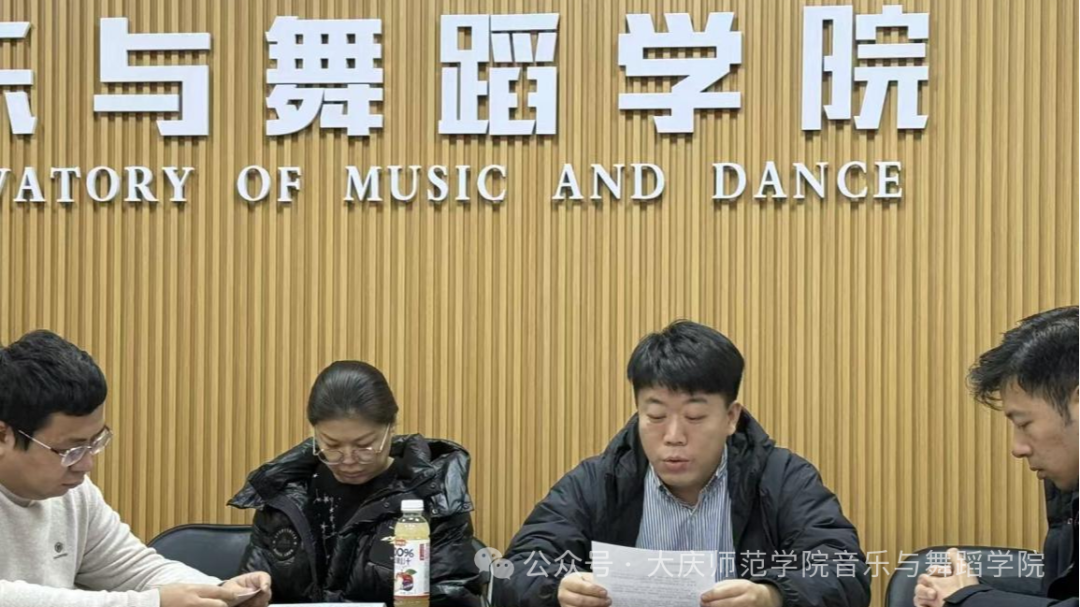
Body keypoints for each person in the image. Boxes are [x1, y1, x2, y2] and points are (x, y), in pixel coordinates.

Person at [493, 320, 871, 607]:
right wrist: (556, 588)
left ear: (730, 417)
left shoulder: (781, 477)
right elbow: (517, 569)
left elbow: (843, 570)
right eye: (656, 416)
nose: (674, 435)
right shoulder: (598, 481)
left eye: (694, 417)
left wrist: (772, 595)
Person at [0, 329, 271, 607]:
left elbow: (135, 569)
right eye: (71, 450)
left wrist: (221, 592)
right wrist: (150, 603)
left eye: (95, 442)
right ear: (3, 436)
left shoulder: (74, 495)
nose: (86, 464)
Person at [230, 360, 483, 605]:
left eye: (364, 445)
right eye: (331, 445)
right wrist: (246, 593)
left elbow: (454, 595)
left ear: (391, 427)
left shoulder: (431, 495)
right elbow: (249, 587)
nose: (349, 460)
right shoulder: (284, 491)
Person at [915, 306, 1080, 606]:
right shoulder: (1069, 490)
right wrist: (966, 590)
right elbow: (1059, 593)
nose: (1018, 448)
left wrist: (968, 599)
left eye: (1024, 424)